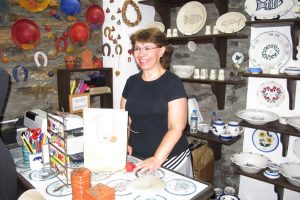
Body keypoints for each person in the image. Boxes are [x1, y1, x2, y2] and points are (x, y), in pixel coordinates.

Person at [120, 27, 193, 177]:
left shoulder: (173, 83)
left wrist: (157, 158)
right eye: (137, 48)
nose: (141, 54)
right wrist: (123, 143)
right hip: (137, 158)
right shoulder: (131, 82)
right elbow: (125, 119)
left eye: (147, 48)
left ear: (161, 51)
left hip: (170, 160)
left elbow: (176, 127)